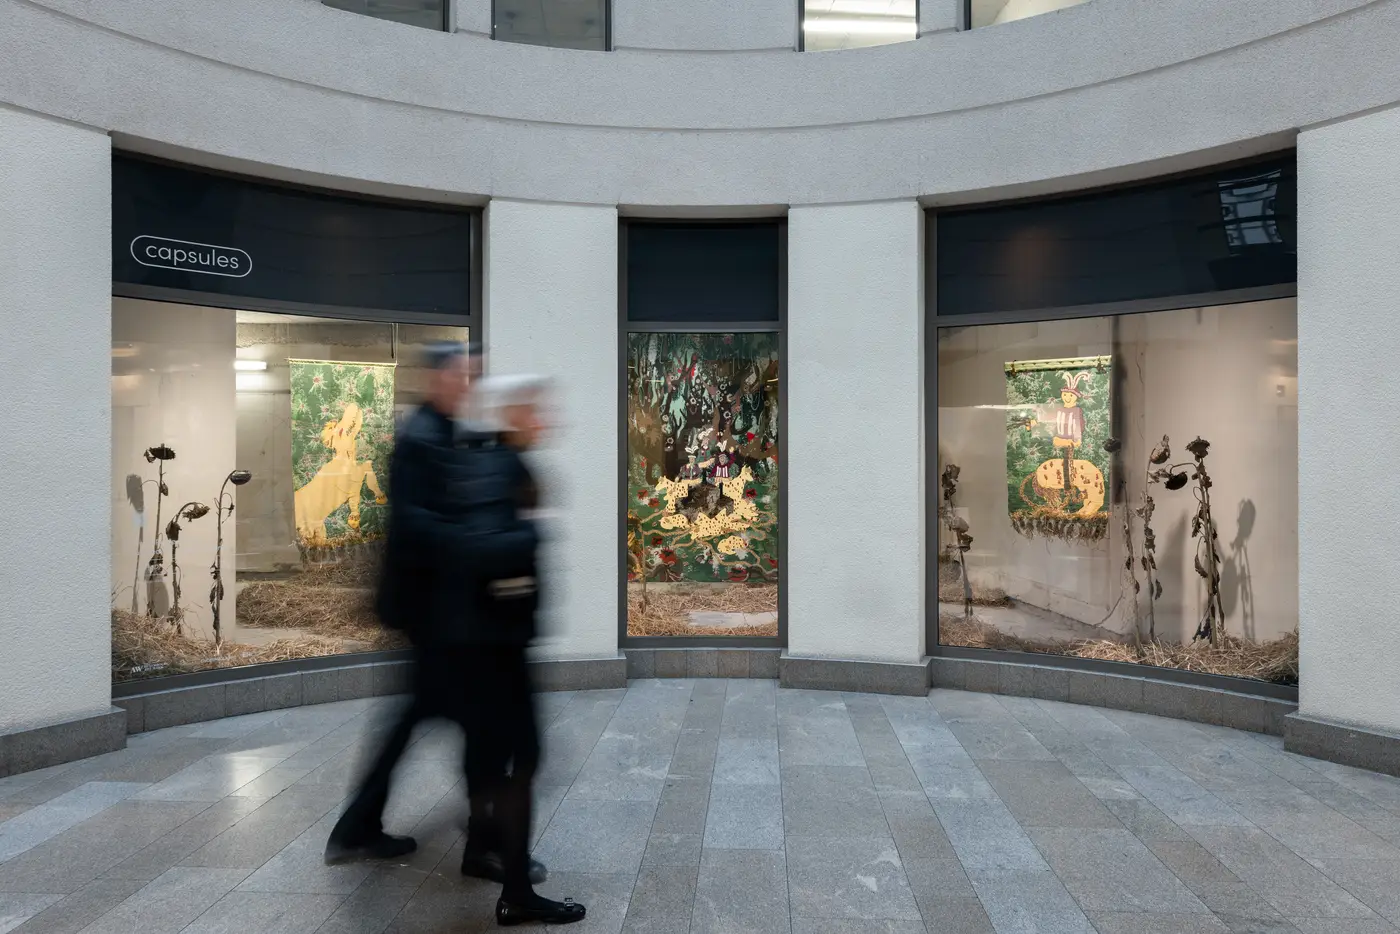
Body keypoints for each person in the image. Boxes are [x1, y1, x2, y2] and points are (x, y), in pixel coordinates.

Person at [322, 343, 546, 890]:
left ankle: (362, 826)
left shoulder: (442, 430)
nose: (470, 385)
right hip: (434, 613)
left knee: (420, 718)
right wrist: (492, 540)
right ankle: (485, 844)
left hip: (440, 613)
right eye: (463, 376)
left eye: (474, 377)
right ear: (437, 378)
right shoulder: (423, 438)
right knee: (481, 728)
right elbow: (418, 525)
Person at [457, 374, 584, 926]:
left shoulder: (497, 462)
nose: (545, 419)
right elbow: (487, 550)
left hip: (490, 643)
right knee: (524, 758)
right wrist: (533, 531)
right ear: (511, 414)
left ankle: (482, 849)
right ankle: (516, 893)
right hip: (497, 646)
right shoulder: (500, 469)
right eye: (535, 409)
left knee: (491, 757)